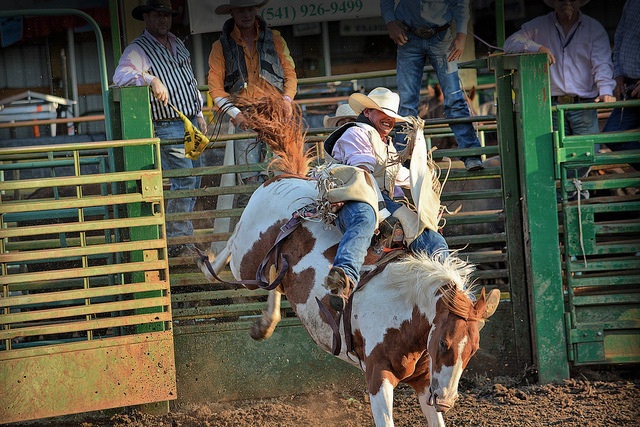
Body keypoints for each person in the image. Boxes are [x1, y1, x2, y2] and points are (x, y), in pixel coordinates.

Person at [323, 87, 449, 311]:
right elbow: (363, 174)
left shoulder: (384, 144)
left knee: (431, 238)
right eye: (384, 114)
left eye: (392, 116)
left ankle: (451, 293)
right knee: (365, 216)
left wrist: (427, 202)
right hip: (354, 196)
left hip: (383, 201)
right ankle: (344, 277)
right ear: (368, 112)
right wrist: (382, 210)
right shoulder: (356, 133)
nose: (390, 120)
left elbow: (403, 177)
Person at [112, 0, 207, 258]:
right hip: (167, 124)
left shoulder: (178, 43)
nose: (164, 20)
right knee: (184, 177)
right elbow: (120, 75)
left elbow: (189, 79)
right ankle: (178, 239)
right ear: (146, 17)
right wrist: (150, 79)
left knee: (194, 177)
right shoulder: (138, 49)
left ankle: (183, 234)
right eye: (158, 15)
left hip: (189, 122)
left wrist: (198, 111)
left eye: (167, 15)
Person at [503, 0, 616, 183]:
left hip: (583, 104)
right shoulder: (538, 26)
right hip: (551, 105)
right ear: (553, 3)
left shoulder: (593, 28)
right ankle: (562, 199)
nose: (567, 3)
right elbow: (510, 43)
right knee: (550, 156)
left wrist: (605, 90)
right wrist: (537, 48)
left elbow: (602, 62)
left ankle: (575, 197)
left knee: (585, 155)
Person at [380, 0, 484, 171]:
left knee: (454, 98)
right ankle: (402, 159)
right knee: (407, 102)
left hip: (438, 35)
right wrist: (391, 22)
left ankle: (471, 154)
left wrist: (462, 33)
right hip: (411, 35)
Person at [207, 0, 298, 186]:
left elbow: (290, 73)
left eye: (250, 9)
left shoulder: (276, 39)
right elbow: (215, 89)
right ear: (232, 12)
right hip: (244, 115)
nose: (246, 14)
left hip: (276, 113)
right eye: (241, 10)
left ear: (256, 10)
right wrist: (236, 114)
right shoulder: (220, 46)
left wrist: (287, 101)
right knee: (249, 173)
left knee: (286, 166)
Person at [601, 0, 639, 170]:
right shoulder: (631, 2)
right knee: (612, 134)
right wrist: (618, 75)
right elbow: (620, 37)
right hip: (630, 86)